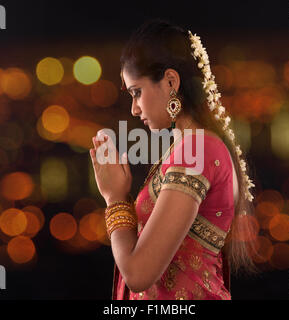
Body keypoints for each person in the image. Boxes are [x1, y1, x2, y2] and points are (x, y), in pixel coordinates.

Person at [89, 19, 258, 300]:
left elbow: (139, 274)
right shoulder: (189, 147)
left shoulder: (199, 149)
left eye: (137, 92)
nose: (133, 108)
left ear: (170, 82)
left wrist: (115, 199)